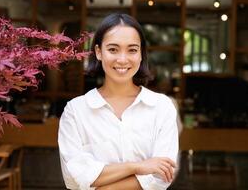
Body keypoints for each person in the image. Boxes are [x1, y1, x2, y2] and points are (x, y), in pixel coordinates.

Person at [58, 13, 179, 190]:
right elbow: (74, 177)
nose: (122, 59)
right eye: (113, 49)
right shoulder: (76, 111)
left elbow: (162, 175)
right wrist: (137, 166)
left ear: (141, 54)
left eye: (132, 50)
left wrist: (104, 186)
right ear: (99, 52)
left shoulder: (161, 107)